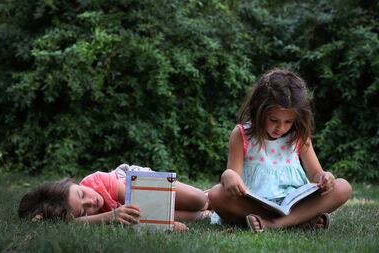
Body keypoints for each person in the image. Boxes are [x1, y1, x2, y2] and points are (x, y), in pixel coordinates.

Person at [208, 68, 352, 232]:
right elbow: (233, 175)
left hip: (294, 204)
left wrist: (326, 178)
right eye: (274, 120)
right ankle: (299, 221)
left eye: (288, 121)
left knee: (343, 187)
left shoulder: (299, 136)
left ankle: (274, 224)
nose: (280, 127)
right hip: (255, 204)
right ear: (259, 111)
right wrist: (228, 175)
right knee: (215, 195)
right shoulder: (242, 134)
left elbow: (316, 176)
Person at [18, 164, 211, 231]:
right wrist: (108, 216)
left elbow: (144, 200)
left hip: (136, 183)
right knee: (197, 215)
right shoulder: (75, 216)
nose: (92, 201)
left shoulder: (95, 182)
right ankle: (207, 213)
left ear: (74, 183)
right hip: (134, 207)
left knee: (199, 201)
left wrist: (163, 222)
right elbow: (66, 223)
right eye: (85, 210)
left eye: (82, 194)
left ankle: (209, 195)